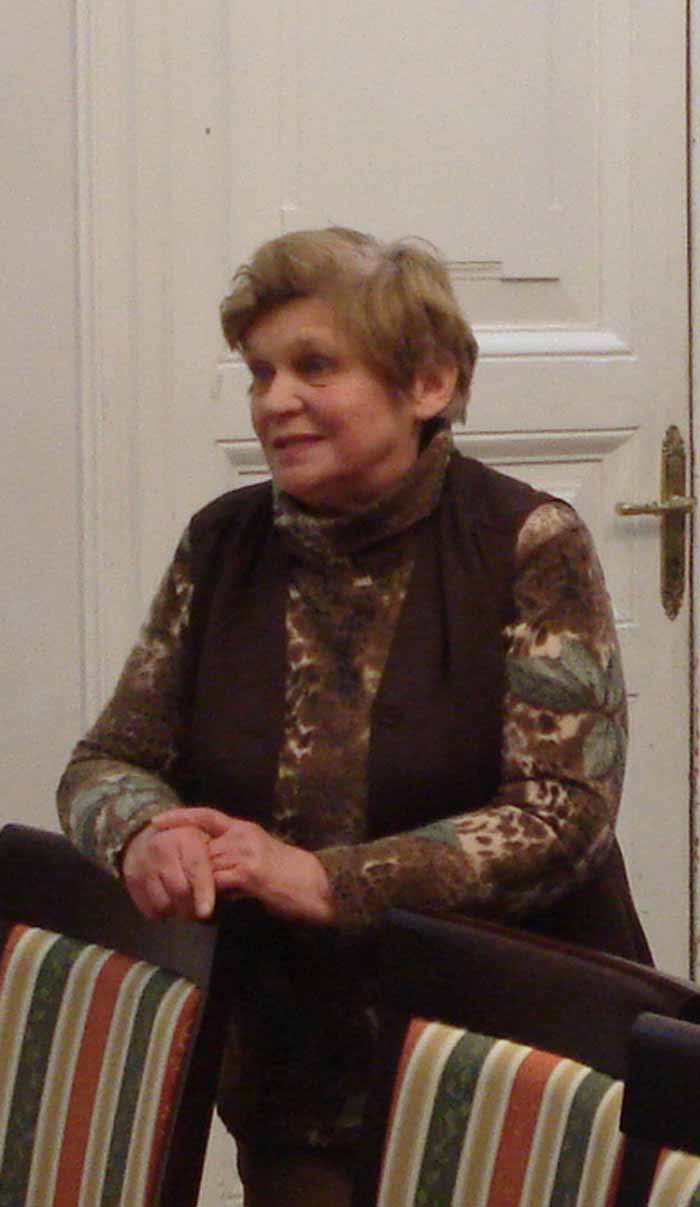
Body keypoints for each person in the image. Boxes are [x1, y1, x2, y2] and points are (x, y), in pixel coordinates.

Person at [57, 227, 650, 1206]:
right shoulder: (221, 544)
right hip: (295, 1075)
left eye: (315, 366)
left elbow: (562, 814)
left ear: (427, 382)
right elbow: (107, 759)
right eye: (261, 373)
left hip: (518, 1079)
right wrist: (144, 832)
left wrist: (327, 880)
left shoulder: (526, 540)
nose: (273, 400)